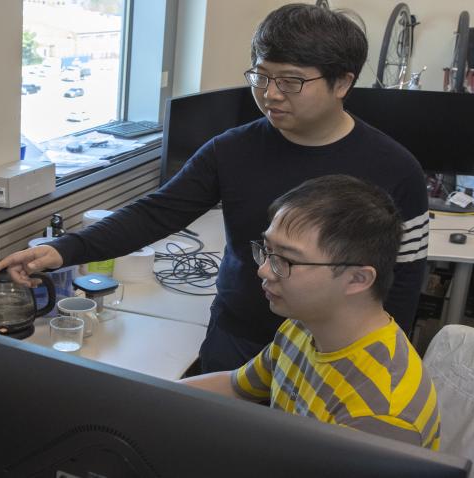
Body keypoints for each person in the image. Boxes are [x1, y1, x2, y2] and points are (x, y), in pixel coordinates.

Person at [0, 3, 429, 373]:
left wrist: (389, 360)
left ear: (343, 83)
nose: (271, 94)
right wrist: (65, 250)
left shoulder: (395, 169)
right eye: (261, 77)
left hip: (339, 351)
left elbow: (405, 279)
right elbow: (157, 212)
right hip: (239, 335)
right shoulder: (232, 149)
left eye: (291, 81)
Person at [181, 175, 440, 450]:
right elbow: (236, 385)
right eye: (267, 251)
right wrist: (138, 400)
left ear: (357, 279)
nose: (264, 270)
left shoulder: (380, 415)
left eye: (286, 259)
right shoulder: (305, 325)